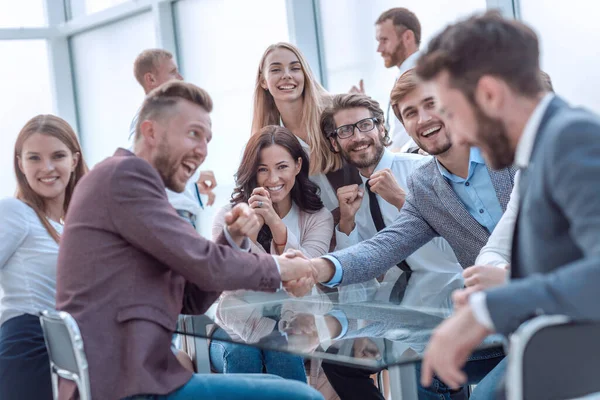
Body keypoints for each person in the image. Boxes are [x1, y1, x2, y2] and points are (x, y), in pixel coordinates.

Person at [55, 81, 322, 400]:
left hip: (136, 378)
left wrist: (232, 240)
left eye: (207, 139)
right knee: (303, 398)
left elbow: (192, 298)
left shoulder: (125, 182)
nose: (203, 150)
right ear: (151, 132)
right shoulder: (125, 177)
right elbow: (205, 263)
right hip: (130, 385)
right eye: (193, 134)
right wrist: (281, 266)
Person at [415, 12, 600, 398]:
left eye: (451, 113)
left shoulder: (571, 138)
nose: (460, 136)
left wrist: (490, 308)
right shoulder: (541, 152)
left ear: (489, 95)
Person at [210, 126, 333, 381]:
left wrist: (276, 223)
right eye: (262, 169)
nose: (272, 178)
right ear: (251, 171)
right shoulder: (228, 216)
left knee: (283, 351)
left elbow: (306, 277)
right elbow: (230, 288)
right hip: (235, 328)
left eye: (282, 167)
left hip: (296, 325)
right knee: (244, 354)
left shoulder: (318, 217)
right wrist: (248, 236)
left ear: (298, 166)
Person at [0, 115, 88, 400]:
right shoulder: (16, 212)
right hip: (29, 344)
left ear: (74, 161)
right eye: (34, 158)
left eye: (58, 156)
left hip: (68, 350)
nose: (47, 168)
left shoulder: (71, 229)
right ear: (20, 164)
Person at [252, 42, 360, 212]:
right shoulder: (269, 139)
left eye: (295, 68)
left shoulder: (335, 111)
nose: (286, 75)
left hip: (368, 214)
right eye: (276, 69)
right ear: (263, 81)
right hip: (324, 231)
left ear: (305, 74)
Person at [131, 48, 217, 228]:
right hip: (174, 214)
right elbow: (148, 164)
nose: (180, 77)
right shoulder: (147, 121)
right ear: (151, 79)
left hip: (180, 213)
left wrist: (196, 180)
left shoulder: (167, 118)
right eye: (172, 72)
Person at [350, 7, 422, 152]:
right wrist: (367, 108)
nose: (379, 49)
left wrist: (401, 152)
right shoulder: (403, 73)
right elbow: (398, 129)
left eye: (384, 40)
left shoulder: (423, 74)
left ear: (407, 37)